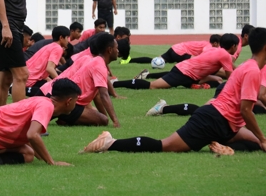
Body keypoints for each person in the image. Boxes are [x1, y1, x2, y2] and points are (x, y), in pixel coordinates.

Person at [81, 27, 266, 155]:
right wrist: (262, 137)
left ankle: (224, 146)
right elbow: (246, 109)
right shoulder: (251, 70)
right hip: (212, 120)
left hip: (226, 124)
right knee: (165, 146)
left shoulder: (248, 67)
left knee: (257, 144)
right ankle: (110, 143)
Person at [38, 33, 121, 127]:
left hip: (53, 93)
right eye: (116, 48)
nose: (118, 51)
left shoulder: (94, 61)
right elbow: (104, 95)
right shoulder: (99, 65)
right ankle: (65, 117)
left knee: (102, 118)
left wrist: (103, 117)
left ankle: (65, 117)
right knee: (36, 117)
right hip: (61, 99)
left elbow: (97, 95)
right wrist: (115, 121)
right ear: (109, 50)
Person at [113, 34, 238, 90]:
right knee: (153, 86)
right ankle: (115, 84)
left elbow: (233, 69)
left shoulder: (216, 51)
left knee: (217, 80)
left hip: (189, 73)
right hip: (184, 73)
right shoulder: (224, 55)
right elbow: (231, 78)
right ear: (233, 46)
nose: (238, 48)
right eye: (237, 46)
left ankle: (193, 84)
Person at [25, 26, 70, 96]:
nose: (68, 40)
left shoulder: (49, 46)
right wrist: (61, 82)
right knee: (58, 93)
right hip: (30, 82)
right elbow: (49, 68)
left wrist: (49, 79)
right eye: (67, 37)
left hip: (26, 77)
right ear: (61, 38)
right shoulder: (58, 48)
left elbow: (40, 68)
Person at [120, 34, 221, 65]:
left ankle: (129, 60)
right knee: (197, 62)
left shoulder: (204, 42)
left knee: (155, 60)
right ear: (215, 43)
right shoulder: (209, 45)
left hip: (174, 48)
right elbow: (204, 56)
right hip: (181, 52)